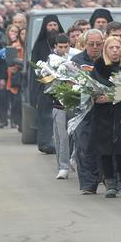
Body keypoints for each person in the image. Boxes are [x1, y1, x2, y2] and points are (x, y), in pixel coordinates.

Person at [93, 36, 121, 198]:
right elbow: (91, 87)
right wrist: (94, 96)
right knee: (105, 148)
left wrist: (113, 97)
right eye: (112, 48)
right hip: (102, 113)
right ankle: (110, 182)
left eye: (118, 47)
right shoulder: (98, 65)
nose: (115, 51)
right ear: (106, 49)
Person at [71, 29, 105, 194]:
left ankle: (103, 177)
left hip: (105, 110)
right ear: (84, 45)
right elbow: (68, 85)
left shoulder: (107, 61)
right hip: (83, 112)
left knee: (102, 146)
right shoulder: (76, 61)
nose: (95, 47)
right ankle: (87, 184)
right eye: (91, 44)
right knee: (84, 146)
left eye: (99, 44)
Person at [31, 14, 64, 154]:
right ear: (45, 27)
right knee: (45, 115)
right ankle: (44, 143)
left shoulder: (64, 43)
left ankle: (59, 144)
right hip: (44, 86)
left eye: (55, 25)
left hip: (62, 85)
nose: (52, 28)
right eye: (50, 25)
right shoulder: (39, 45)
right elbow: (34, 67)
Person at [50, 34, 72, 180]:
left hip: (76, 102)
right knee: (62, 137)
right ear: (55, 47)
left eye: (66, 46)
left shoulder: (75, 59)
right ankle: (63, 167)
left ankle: (74, 160)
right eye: (60, 47)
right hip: (59, 104)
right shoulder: (50, 62)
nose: (63, 50)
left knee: (77, 135)